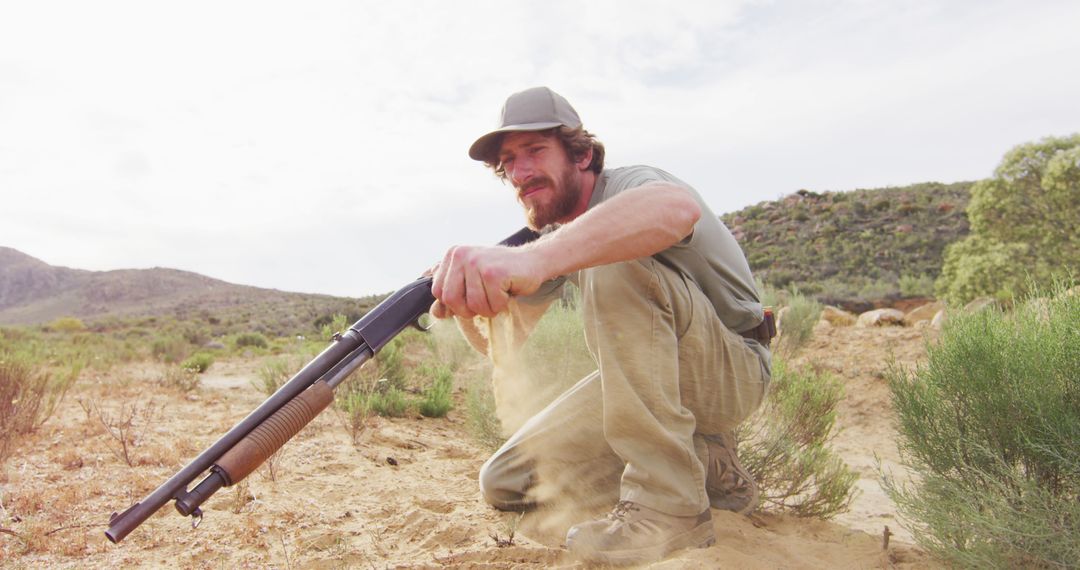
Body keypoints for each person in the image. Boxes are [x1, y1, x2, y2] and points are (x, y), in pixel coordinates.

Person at [430, 86, 772, 565]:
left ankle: (669, 507)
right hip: (657, 376)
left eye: (534, 152)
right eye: (508, 162)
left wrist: (534, 259)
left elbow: (676, 209)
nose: (519, 173)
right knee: (507, 480)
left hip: (731, 371)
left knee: (614, 262)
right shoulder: (557, 239)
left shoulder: (633, 185)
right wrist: (467, 297)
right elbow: (502, 345)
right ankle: (701, 463)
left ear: (583, 154)